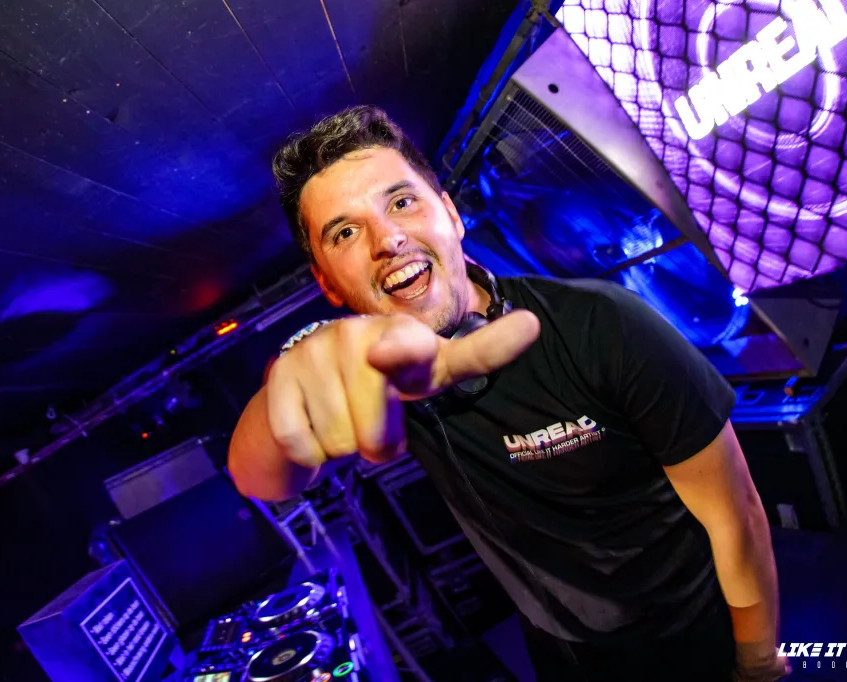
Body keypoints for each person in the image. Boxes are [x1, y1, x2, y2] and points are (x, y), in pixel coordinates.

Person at [229, 105, 790, 682]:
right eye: (345, 233)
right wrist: (288, 376)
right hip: (556, 650)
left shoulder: (602, 325)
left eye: (401, 202)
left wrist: (755, 660)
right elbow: (260, 480)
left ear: (451, 215)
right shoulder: (375, 378)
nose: (388, 238)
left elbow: (736, 515)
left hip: (688, 633)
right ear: (327, 282)